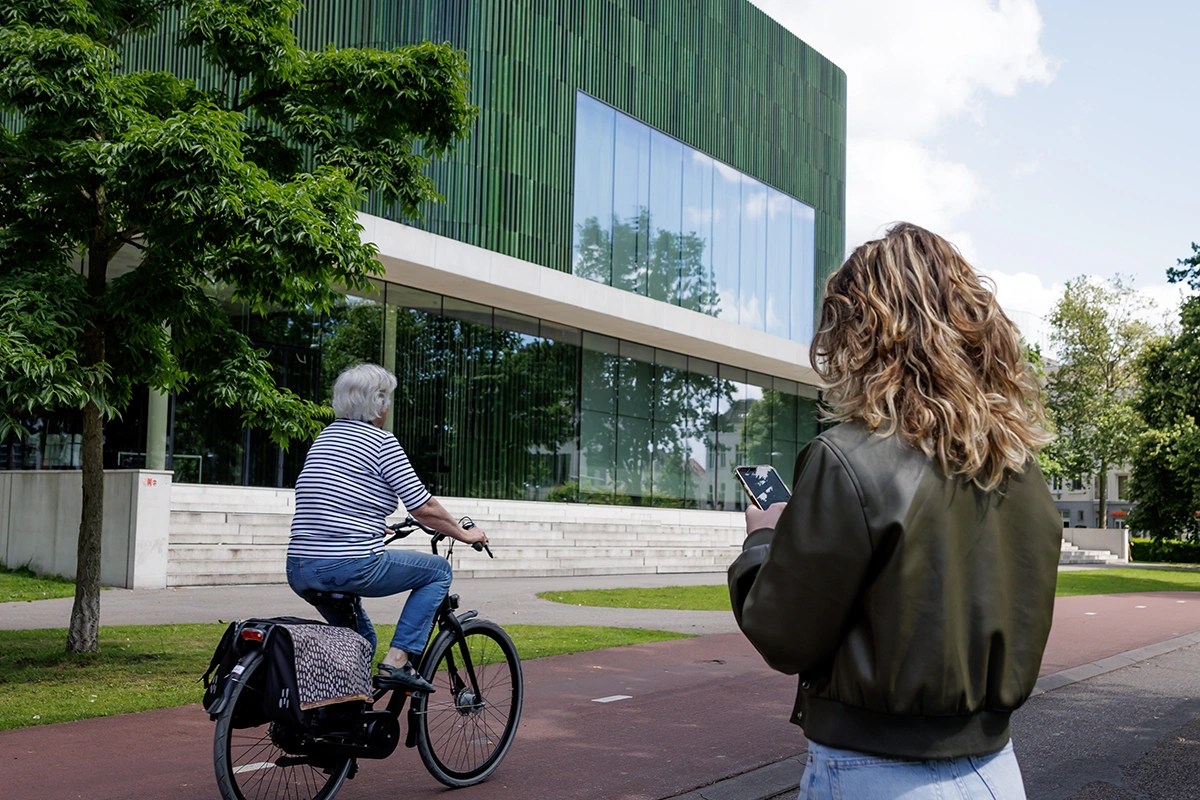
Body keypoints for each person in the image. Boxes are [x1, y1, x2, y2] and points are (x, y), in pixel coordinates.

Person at [728, 223, 1061, 799]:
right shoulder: (1017, 463)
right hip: (996, 770)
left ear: (862, 331)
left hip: (875, 773)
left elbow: (784, 637)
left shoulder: (846, 458)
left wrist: (763, 541)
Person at [287, 363, 488, 694]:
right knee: (438, 570)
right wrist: (465, 534)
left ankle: (338, 717)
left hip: (300, 566)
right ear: (378, 403)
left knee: (359, 641)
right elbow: (423, 507)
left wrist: (369, 525)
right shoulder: (381, 442)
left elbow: (328, 494)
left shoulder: (325, 437)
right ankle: (398, 662)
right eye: (388, 399)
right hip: (347, 563)